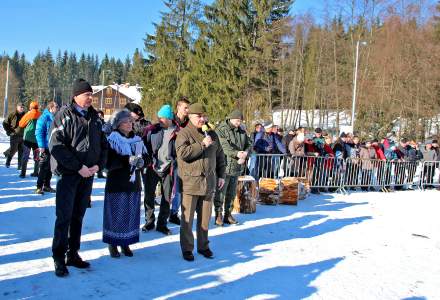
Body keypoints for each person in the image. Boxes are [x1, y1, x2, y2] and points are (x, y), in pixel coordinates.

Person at [49, 78, 108, 277]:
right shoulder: (64, 115)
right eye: (86, 94)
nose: (90, 97)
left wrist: (99, 164)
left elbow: (104, 144)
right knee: (64, 217)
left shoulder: (95, 118)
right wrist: (78, 167)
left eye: (91, 94)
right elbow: (56, 146)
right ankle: (59, 257)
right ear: (76, 96)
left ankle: (73, 253)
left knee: (78, 216)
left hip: (88, 175)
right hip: (68, 175)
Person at [175, 103, 226, 261]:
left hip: (209, 182)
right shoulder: (184, 133)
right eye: (199, 116)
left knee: (205, 219)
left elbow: (220, 157)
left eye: (204, 116)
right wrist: (202, 144)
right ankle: (187, 249)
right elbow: (183, 153)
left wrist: (221, 175)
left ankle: (203, 246)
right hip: (191, 182)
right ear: (190, 116)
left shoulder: (212, 133)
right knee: (187, 220)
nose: (202, 119)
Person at [103, 109, 147, 258]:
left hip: (133, 183)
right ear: (118, 124)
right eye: (126, 121)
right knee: (116, 214)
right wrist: (126, 160)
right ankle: (113, 243)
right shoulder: (112, 139)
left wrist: (143, 162)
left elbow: (147, 157)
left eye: (130, 121)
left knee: (130, 214)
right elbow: (108, 163)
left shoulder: (137, 140)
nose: (130, 124)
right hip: (117, 183)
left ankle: (125, 242)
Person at [141, 104, 179, 235]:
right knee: (149, 195)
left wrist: (174, 161)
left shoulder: (178, 132)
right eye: (159, 117)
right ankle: (149, 221)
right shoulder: (152, 130)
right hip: (152, 167)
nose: (159, 120)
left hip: (168, 169)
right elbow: (144, 146)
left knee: (167, 197)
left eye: (162, 118)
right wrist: (148, 160)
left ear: (169, 118)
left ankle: (162, 224)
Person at [214, 109, 251, 226]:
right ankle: (218, 214)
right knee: (221, 192)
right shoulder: (221, 129)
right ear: (230, 118)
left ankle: (228, 214)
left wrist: (245, 152)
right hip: (223, 165)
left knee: (231, 193)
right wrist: (237, 154)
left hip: (236, 166)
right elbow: (224, 146)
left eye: (240, 121)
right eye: (237, 120)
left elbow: (249, 143)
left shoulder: (241, 130)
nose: (238, 123)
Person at [169, 96, 191, 225]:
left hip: (186, 158)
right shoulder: (171, 121)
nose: (187, 110)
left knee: (183, 187)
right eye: (185, 108)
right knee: (175, 187)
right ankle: (171, 212)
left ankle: (177, 211)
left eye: (188, 108)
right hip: (173, 158)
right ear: (178, 107)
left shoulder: (189, 122)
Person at [35, 101, 59, 194]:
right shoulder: (44, 117)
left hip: (53, 146)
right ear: (51, 108)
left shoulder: (55, 117)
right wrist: (41, 145)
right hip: (45, 146)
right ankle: (39, 186)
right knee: (44, 167)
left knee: (50, 167)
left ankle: (47, 186)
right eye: (56, 106)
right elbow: (38, 132)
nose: (57, 108)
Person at [18, 101, 42, 178]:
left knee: (25, 156)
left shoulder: (28, 114)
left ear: (30, 107)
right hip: (37, 140)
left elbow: (21, 124)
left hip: (27, 139)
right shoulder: (40, 115)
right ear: (37, 107)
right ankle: (36, 172)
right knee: (37, 157)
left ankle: (23, 173)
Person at [3, 103, 26, 168]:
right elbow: (5, 123)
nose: (22, 108)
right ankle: (8, 162)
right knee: (13, 150)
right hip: (14, 135)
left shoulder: (25, 115)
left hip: (23, 136)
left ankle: (20, 165)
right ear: (17, 107)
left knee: (21, 151)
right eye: (21, 107)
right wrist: (9, 131)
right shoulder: (12, 114)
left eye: (23, 107)